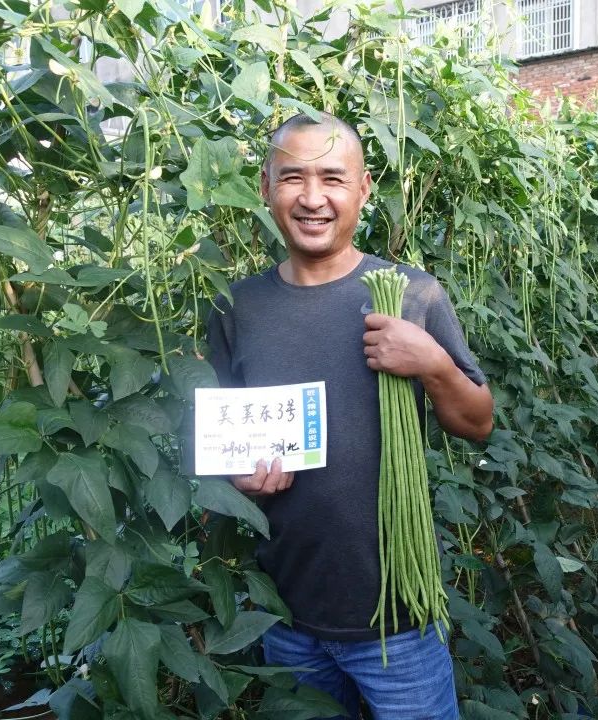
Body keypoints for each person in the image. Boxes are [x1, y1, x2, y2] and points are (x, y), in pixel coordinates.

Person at [203, 112, 493, 720]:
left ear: (362, 190)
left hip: (398, 618)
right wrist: (237, 477)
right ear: (265, 187)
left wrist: (434, 364)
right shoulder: (236, 308)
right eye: (292, 178)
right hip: (282, 611)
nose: (313, 198)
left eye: (333, 178)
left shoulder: (413, 295)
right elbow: (219, 443)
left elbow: (477, 423)